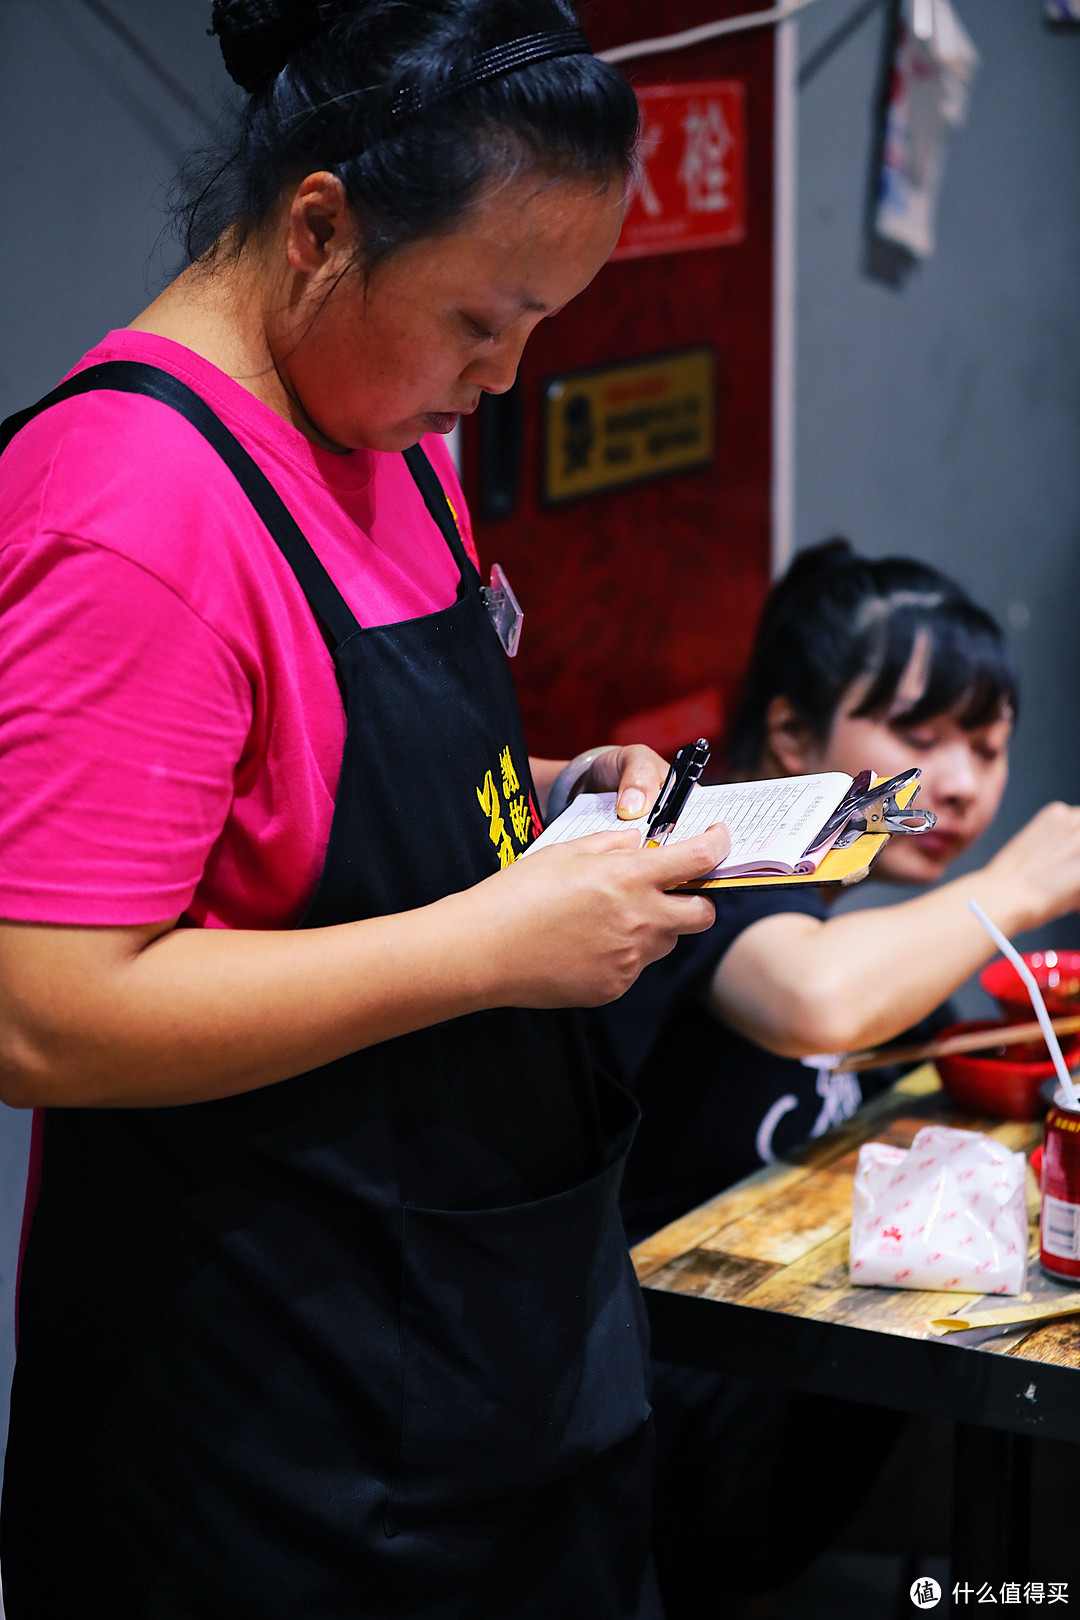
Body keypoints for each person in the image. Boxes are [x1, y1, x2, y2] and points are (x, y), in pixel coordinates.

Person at [0, 5, 732, 1616]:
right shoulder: (133, 514)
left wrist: (537, 807)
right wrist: (491, 945)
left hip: (505, 1348)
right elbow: (43, 1011)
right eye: (482, 317)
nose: (506, 376)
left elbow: (313, 818)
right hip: (268, 1443)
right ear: (320, 225)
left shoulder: (391, 428)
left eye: (540, 321)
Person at [591, 539, 1080, 1616]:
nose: (958, 784)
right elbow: (816, 999)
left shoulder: (867, 925)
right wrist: (1015, 883)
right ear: (794, 736)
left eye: (989, 747)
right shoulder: (715, 872)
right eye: (920, 737)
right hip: (652, 1412)